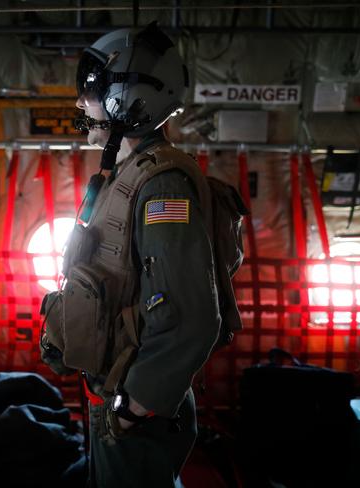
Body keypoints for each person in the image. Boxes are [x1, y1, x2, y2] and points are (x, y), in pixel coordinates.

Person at [40, 22, 224, 488]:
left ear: (130, 101)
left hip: (133, 411)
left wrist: (132, 408)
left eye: (92, 91)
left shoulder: (162, 186)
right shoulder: (124, 176)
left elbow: (193, 317)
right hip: (112, 394)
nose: (81, 103)